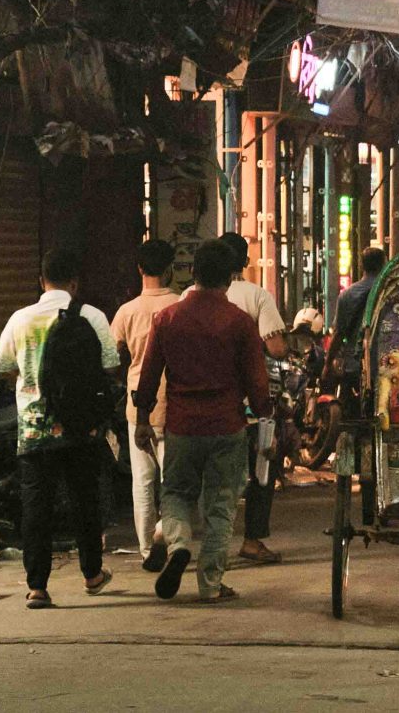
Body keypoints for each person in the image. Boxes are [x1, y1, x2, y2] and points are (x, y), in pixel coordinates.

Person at [134, 240, 273, 603]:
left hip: (181, 425)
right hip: (227, 425)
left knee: (176, 494)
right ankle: (210, 584)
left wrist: (143, 420)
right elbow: (257, 382)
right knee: (221, 505)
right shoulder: (240, 323)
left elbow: (148, 377)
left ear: (192, 273)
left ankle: (179, 543)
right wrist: (265, 416)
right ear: (229, 278)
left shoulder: (167, 319)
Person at [0, 248, 119, 610]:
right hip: (81, 429)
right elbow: (110, 365)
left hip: (34, 432)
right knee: (85, 501)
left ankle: (37, 587)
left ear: (40, 280)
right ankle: (92, 574)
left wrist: (31, 374)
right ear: (74, 283)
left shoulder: (20, 319)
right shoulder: (92, 316)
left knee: (36, 508)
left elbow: (2, 367)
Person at [188, 232, 288, 564]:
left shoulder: (188, 296)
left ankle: (200, 544)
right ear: (243, 262)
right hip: (250, 401)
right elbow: (276, 348)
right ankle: (253, 539)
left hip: (199, 403)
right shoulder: (257, 295)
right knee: (261, 467)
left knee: (212, 477)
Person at [111, 239, 179, 573]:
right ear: (170, 268)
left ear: (140, 269)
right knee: (174, 481)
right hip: (174, 404)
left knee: (143, 481)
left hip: (137, 404)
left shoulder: (127, 311)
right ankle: (168, 538)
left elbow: (112, 357)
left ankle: (145, 549)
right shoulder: (180, 306)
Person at [323, 246, 386, 408]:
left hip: (355, 365)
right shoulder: (388, 292)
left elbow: (338, 333)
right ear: (384, 264)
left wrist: (328, 364)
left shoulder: (347, 295)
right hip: (386, 364)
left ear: (361, 265)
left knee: (350, 415)